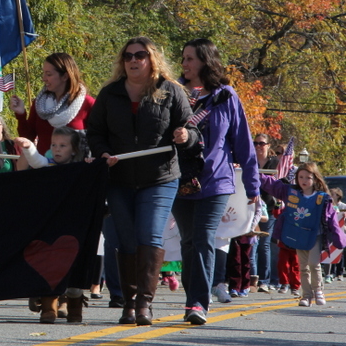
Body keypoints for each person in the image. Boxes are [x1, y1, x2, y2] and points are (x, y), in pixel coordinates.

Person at [86, 36, 198, 326]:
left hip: (159, 178)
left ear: (152, 60)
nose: (133, 60)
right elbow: (94, 132)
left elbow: (191, 132)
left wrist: (185, 137)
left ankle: (144, 305)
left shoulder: (172, 91)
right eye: (128, 56)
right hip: (119, 177)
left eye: (140, 55)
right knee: (124, 240)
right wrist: (102, 152)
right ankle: (127, 301)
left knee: (149, 235)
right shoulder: (110, 93)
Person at [171, 38, 259, 326]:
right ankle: (191, 297)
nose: (184, 63)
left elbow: (243, 143)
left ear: (206, 61)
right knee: (187, 242)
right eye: (183, 58)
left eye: (190, 58)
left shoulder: (226, 96)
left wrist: (252, 183)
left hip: (215, 180)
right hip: (181, 178)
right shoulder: (174, 93)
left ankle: (198, 302)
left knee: (202, 239)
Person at [15, 127, 90, 324]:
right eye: (54, 145)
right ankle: (49, 304)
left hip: (74, 227)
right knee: (50, 264)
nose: (57, 149)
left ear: (73, 150)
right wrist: (29, 147)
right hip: (52, 226)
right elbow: (36, 160)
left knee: (74, 265)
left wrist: (93, 165)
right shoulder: (47, 165)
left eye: (63, 146)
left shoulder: (81, 169)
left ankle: (75, 303)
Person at [260, 162, 346, 307]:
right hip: (298, 235)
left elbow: (331, 218)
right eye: (301, 177)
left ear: (315, 179)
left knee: (314, 263)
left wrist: (339, 237)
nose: (304, 181)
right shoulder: (291, 192)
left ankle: (318, 290)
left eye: (308, 177)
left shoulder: (322, 198)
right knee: (303, 266)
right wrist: (254, 174)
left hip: (315, 236)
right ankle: (306, 296)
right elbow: (273, 185)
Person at [10, 52, 95, 155]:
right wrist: (21, 115)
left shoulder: (87, 103)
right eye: (44, 73)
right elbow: (28, 138)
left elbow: (97, 139)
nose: (43, 78)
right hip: (45, 167)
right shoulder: (40, 104)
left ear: (65, 76)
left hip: (77, 169)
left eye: (49, 74)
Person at [253, 133, 279, 292]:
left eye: (261, 143)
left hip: (267, 209)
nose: (258, 146)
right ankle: (250, 279)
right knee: (250, 244)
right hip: (249, 206)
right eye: (255, 143)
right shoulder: (249, 160)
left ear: (268, 146)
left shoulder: (275, 163)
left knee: (264, 244)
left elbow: (281, 182)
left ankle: (264, 280)